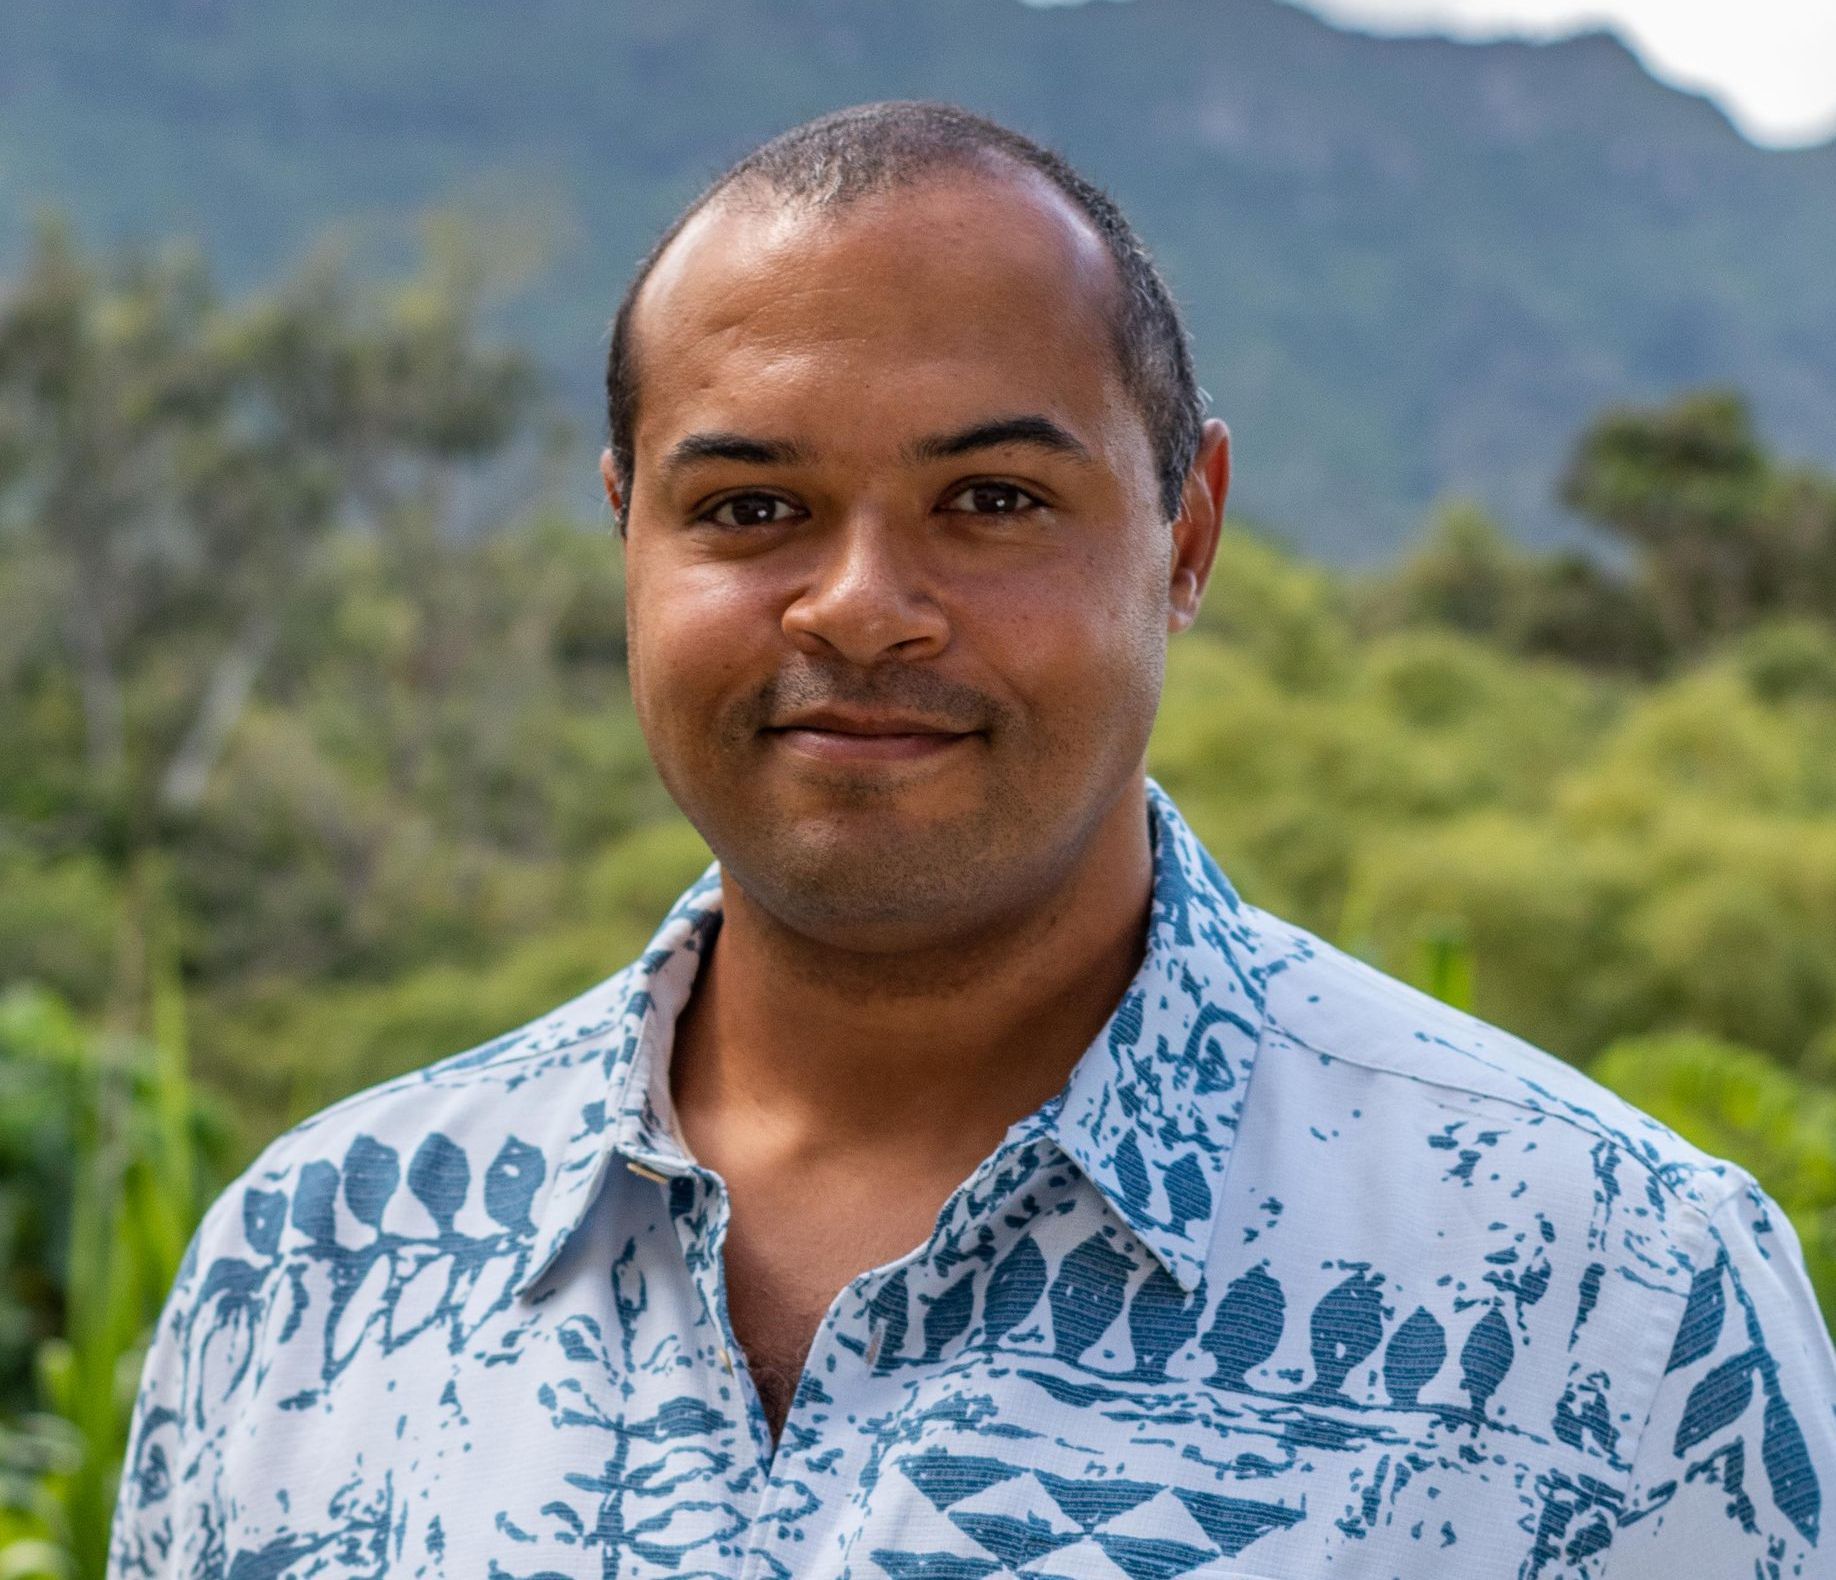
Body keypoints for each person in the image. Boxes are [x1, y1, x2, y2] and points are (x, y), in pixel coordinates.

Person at [109, 101, 1835, 1580]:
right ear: (626, 531)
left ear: (1187, 531)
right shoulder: (313, 1271)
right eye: (751, 508)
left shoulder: (1607, 1291)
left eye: (993, 502)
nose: (861, 607)